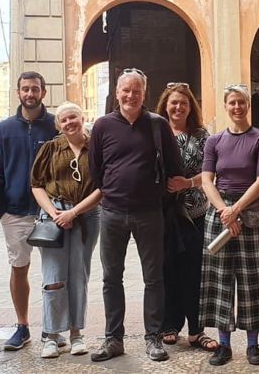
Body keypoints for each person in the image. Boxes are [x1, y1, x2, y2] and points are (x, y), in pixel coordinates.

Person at [88, 68, 187, 363]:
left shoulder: (157, 125)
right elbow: (96, 169)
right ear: (117, 93)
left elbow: (175, 168)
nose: (131, 96)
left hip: (149, 213)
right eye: (126, 90)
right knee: (111, 278)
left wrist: (154, 191)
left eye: (137, 91)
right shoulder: (103, 125)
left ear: (145, 93)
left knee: (153, 278)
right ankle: (113, 338)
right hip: (112, 213)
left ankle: (153, 338)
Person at [200, 84, 259, 367]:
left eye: (241, 102)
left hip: (251, 214)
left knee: (251, 280)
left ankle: (253, 345)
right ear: (226, 106)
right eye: (232, 102)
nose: (237, 107)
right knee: (220, 282)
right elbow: (207, 179)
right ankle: (224, 344)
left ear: (248, 105)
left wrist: (236, 210)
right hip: (220, 215)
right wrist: (224, 211)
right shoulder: (214, 141)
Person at [0, 71, 58, 351]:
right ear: (18, 93)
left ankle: (53, 329)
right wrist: (1, 210)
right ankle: (22, 326)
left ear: (43, 92)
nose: (30, 93)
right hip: (15, 211)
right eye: (25, 89)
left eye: (35, 89)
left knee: (54, 271)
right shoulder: (4, 130)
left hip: (51, 210)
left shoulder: (55, 126)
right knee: (19, 268)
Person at [30, 102, 103, 359]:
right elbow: (37, 185)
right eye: (64, 119)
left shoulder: (97, 148)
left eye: (73, 117)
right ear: (58, 124)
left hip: (86, 217)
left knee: (78, 274)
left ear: (82, 118)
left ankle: (76, 334)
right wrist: (55, 213)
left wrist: (74, 212)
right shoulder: (50, 149)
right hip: (53, 217)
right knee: (53, 276)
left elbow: (103, 186)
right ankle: (51, 335)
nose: (69, 122)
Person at [156, 83, 219, 353]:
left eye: (183, 103)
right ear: (165, 106)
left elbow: (211, 173)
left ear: (191, 106)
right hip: (163, 214)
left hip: (195, 214)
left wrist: (187, 183)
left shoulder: (202, 136)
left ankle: (197, 329)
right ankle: (169, 325)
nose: (178, 107)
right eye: (174, 103)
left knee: (195, 272)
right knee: (166, 270)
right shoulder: (155, 132)